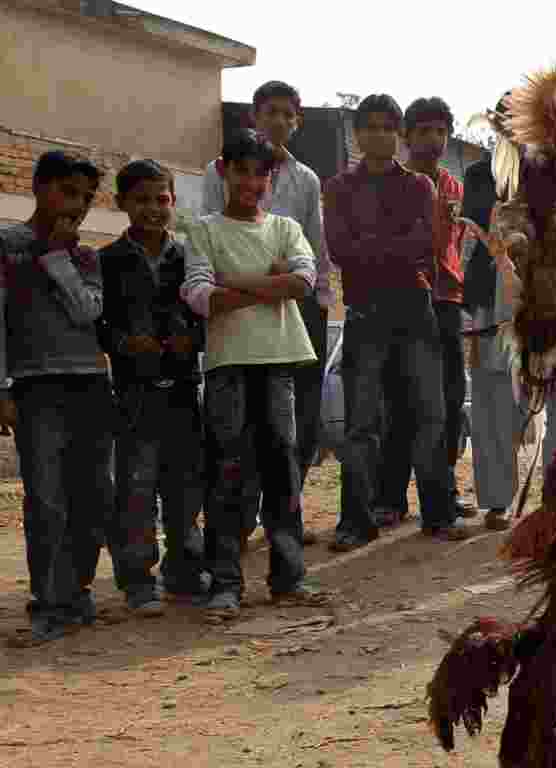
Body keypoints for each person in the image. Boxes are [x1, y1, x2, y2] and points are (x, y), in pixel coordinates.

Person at [182, 129, 328, 621]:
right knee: (227, 473)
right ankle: (225, 582)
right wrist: (272, 284)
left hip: (279, 362)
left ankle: (289, 579)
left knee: (282, 471)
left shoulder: (286, 227)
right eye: (241, 170)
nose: (251, 181)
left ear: (271, 177)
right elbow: (201, 297)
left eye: (260, 173)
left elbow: (304, 281)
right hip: (227, 365)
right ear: (224, 171)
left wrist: (235, 284)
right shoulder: (204, 229)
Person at [201, 80, 333, 548]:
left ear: (297, 122)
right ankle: (239, 524)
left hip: (298, 313)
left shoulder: (307, 179)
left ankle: (286, 523)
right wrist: (271, 275)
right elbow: (213, 248)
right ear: (253, 115)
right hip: (236, 320)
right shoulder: (218, 172)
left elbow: (312, 256)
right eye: (270, 111)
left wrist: (313, 294)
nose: (279, 120)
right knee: (239, 432)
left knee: (293, 426)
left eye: (288, 114)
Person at [323, 95, 458, 551]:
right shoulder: (339, 187)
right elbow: (340, 251)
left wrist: (372, 247)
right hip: (364, 315)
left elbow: (425, 245)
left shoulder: (420, 187)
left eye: (387, 127)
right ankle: (355, 522)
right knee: (361, 425)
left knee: (430, 415)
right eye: (370, 127)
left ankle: (438, 515)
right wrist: (389, 247)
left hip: (414, 312)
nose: (379, 135)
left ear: (397, 135)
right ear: (356, 134)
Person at [0, 150, 114, 643]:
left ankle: (78, 590)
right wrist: (2, 387)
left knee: (92, 495)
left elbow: (88, 312)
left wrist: (58, 256)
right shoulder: (7, 246)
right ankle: (49, 599)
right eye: (69, 192)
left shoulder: (85, 255)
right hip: (35, 387)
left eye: (87, 198)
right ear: (38, 188)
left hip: (89, 384)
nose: (79, 206)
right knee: (46, 498)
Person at [463, 91, 556, 531]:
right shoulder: (478, 174)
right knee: (493, 395)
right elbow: (474, 245)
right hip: (493, 296)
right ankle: (497, 499)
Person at [99, 159, 208, 616]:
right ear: (121, 203)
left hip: (183, 387)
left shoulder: (189, 257)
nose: (152, 209)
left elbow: (208, 313)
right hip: (134, 391)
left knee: (184, 485)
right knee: (137, 488)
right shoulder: (107, 260)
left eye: (161, 199)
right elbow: (97, 322)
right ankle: (139, 579)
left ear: (173, 203)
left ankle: (184, 571)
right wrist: (123, 343)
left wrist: (193, 338)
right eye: (140, 200)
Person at [373, 97, 477, 528]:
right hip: (400, 299)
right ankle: (390, 499)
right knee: (399, 401)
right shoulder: (390, 183)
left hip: (447, 300)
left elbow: (459, 246)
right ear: (406, 136)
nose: (434, 139)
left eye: (441, 131)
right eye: (424, 131)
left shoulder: (454, 187)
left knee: (450, 402)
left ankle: (443, 494)